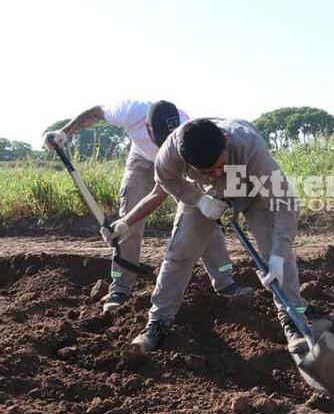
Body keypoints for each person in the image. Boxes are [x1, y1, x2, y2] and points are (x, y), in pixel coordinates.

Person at [43, 101, 252, 313]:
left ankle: (225, 282)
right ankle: (120, 288)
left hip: (178, 162)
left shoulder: (188, 134)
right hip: (141, 159)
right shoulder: (131, 111)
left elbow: (160, 192)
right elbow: (97, 112)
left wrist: (203, 201)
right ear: (147, 128)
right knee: (130, 215)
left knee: (204, 215)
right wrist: (64, 132)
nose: (165, 144)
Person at [131, 118, 308, 355]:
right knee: (180, 252)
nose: (216, 173)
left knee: (276, 249)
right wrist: (199, 200)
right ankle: (158, 322)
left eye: (219, 165)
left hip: (251, 185)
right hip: (207, 194)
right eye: (207, 170)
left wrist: (277, 256)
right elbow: (167, 181)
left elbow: (285, 203)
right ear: (187, 161)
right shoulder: (170, 155)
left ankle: (294, 320)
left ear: (225, 142)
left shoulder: (250, 147)